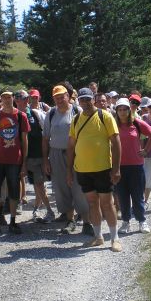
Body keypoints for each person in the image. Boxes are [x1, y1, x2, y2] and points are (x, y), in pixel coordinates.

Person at [67, 87, 122, 252]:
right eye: (82, 99)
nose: (84, 102)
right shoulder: (76, 119)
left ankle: (115, 238)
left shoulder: (104, 116)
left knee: (107, 203)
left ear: (93, 99)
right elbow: (71, 146)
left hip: (103, 168)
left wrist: (116, 168)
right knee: (92, 203)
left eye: (87, 99)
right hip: (83, 169)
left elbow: (116, 142)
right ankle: (98, 237)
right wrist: (69, 171)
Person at [42, 85, 91, 234]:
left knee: (79, 187)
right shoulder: (51, 114)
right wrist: (46, 160)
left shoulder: (78, 111)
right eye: (56, 98)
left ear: (68, 96)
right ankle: (70, 221)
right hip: (56, 154)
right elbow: (45, 138)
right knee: (62, 187)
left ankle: (87, 222)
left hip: (77, 154)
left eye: (62, 97)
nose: (59, 100)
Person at [0, 89, 30, 235]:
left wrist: (24, 163)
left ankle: (13, 222)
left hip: (15, 160)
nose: (7, 99)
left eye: (10, 97)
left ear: (13, 99)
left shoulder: (21, 116)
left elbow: (24, 141)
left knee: (14, 192)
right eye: (4, 97)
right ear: (1, 100)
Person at [113, 98, 151, 234]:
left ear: (129, 110)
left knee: (137, 196)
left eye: (125, 109)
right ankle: (126, 222)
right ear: (116, 111)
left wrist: (146, 150)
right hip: (119, 166)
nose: (122, 112)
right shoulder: (113, 124)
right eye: (119, 109)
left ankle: (142, 221)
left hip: (136, 165)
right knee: (123, 196)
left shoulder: (136, 123)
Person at [14, 89, 56, 223]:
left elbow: (46, 132)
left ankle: (48, 211)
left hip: (38, 155)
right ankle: (38, 209)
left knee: (39, 184)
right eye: (21, 98)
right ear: (16, 100)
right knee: (39, 184)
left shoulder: (35, 113)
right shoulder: (13, 116)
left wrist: (47, 155)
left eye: (26, 98)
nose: (25, 100)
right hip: (22, 157)